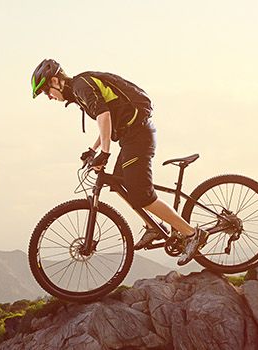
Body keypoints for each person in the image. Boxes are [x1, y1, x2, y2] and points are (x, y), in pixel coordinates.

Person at [30, 59, 208, 265]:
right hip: (130, 137)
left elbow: (104, 115)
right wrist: (93, 149)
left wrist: (104, 153)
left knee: (142, 194)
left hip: (139, 135)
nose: (49, 97)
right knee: (119, 183)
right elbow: (106, 121)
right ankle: (153, 227)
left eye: (46, 92)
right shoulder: (80, 90)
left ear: (54, 81)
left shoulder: (81, 86)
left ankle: (192, 234)